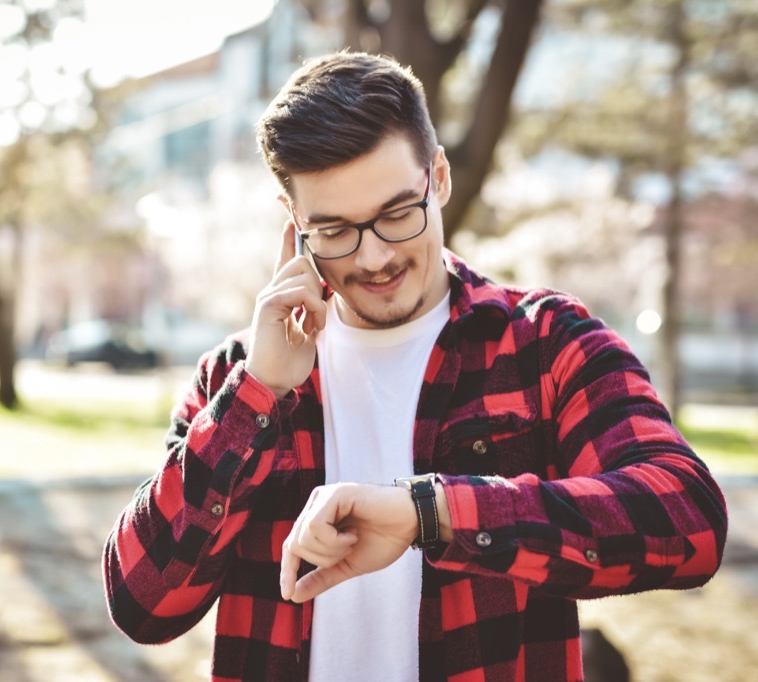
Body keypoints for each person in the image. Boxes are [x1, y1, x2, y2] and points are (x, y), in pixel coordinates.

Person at [102, 51, 727, 682]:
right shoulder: (235, 377)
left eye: (398, 213)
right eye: (336, 230)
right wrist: (257, 394)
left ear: (440, 177)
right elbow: (143, 605)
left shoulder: (543, 342)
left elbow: (690, 521)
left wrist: (432, 513)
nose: (374, 257)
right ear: (295, 226)